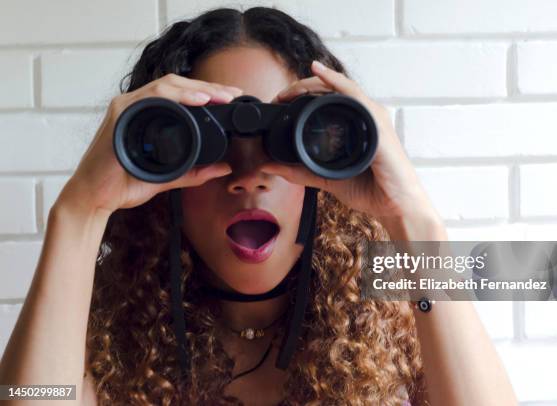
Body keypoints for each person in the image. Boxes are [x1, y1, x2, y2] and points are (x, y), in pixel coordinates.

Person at [0, 7, 518, 406]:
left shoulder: (398, 314)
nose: (249, 178)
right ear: (158, 174)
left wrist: (411, 218)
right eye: (212, 144)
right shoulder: (103, 342)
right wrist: (77, 215)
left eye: (283, 144)